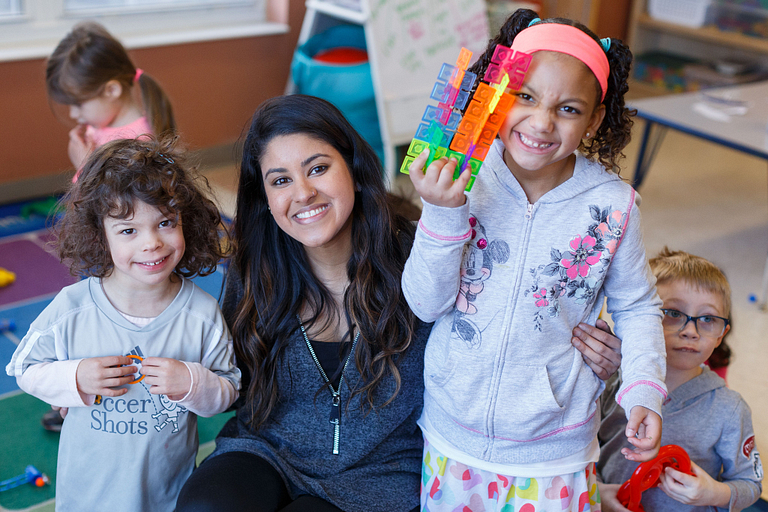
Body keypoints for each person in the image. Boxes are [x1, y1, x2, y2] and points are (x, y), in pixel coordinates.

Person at [402, 9, 668, 511]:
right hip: (453, 434)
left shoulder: (614, 205)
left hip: (554, 449)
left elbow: (637, 306)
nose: (542, 122)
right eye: (525, 97)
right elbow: (424, 304)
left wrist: (642, 390)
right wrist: (443, 213)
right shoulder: (457, 178)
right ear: (495, 95)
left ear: (594, 120)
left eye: (568, 109)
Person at [5, 137, 241, 512]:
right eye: (129, 230)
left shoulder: (201, 313)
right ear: (101, 236)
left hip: (167, 495)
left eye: (165, 223)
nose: (152, 243)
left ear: (186, 222)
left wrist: (192, 381)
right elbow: (23, 369)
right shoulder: (73, 307)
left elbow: (227, 392)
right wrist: (76, 377)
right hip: (88, 496)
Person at [597, 248, 763, 512]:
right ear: (642, 319)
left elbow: (750, 485)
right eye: (673, 313)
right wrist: (597, 492)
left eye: (707, 319)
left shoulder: (730, 408)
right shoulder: (610, 386)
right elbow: (579, 452)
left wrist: (713, 492)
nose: (690, 331)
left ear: (721, 335)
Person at [46, 20, 175, 182]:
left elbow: (110, 204)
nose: (73, 114)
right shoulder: (102, 123)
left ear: (112, 91)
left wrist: (85, 166)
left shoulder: (137, 144)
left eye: (78, 104)